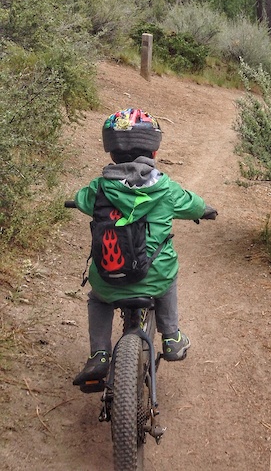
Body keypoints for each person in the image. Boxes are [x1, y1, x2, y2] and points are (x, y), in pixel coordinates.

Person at [72, 108, 216, 386]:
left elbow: (81, 200)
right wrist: (205, 209)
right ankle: (172, 337)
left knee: (97, 299)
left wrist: (78, 201)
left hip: (108, 279)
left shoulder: (99, 188)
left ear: (111, 153)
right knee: (167, 275)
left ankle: (99, 354)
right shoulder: (166, 188)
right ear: (154, 152)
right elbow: (193, 204)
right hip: (153, 277)